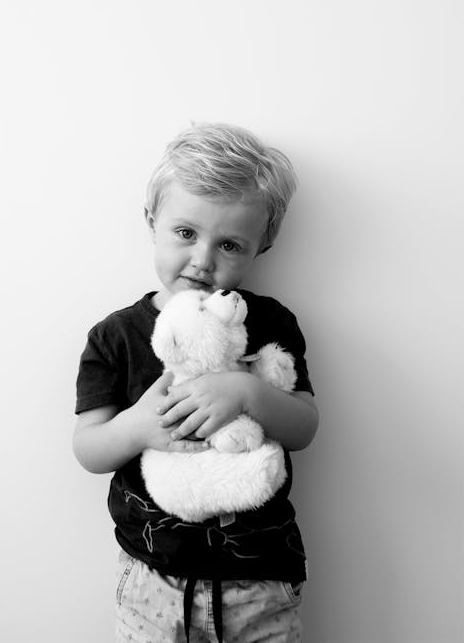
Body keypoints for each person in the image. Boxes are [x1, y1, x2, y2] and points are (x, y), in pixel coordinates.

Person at [73, 123, 319, 643]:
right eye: (186, 233)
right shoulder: (115, 336)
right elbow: (89, 449)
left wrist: (249, 392)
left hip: (260, 581)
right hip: (152, 582)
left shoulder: (270, 323)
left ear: (263, 246)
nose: (204, 260)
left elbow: (303, 428)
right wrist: (137, 427)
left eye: (229, 244)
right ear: (151, 221)